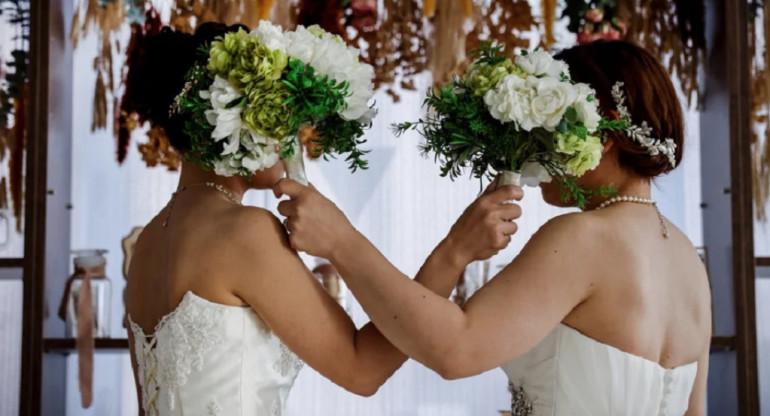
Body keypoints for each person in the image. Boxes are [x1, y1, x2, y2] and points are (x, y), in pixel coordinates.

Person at [275, 40, 711, 415]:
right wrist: (456, 250)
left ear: (606, 132)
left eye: (549, 126)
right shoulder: (688, 261)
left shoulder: (584, 238)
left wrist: (342, 241)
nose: (533, 149)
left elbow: (455, 349)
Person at [123, 22, 524, 416]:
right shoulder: (244, 232)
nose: (292, 134)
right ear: (228, 118)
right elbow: (362, 368)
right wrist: (455, 252)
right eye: (277, 113)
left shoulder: (148, 243)